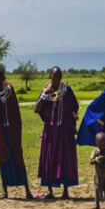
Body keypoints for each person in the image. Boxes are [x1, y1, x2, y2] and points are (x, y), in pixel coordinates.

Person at [0, 68, 32, 199]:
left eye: (1, 77)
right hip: (0, 132)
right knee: (3, 158)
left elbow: (15, 112)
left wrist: (16, 128)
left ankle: (27, 190)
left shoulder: (10, 90)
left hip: (12, 132)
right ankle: (5, 191)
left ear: (4, 78)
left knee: (18, 157)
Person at [35, 66, 79, 199]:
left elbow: (74, 106)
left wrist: (73, 115)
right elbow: (37, 109)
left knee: (64, 158)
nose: (57, 78)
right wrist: (44, 94)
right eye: (54, 76)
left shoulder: (67, 90)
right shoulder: (46, 90)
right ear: (50, 76)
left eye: (59, 76)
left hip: (64, 130)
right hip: (50, 130)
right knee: (49, 157)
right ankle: (50, 190)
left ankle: (66, 191)